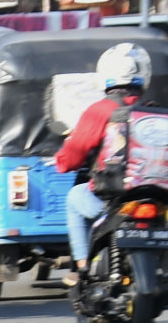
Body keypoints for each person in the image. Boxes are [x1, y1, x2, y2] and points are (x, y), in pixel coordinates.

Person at [53, 44, 152, 270]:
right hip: (154, 195)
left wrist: (61, 162)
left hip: (113, 198)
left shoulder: (100, 111)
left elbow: (71, 159)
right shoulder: (153, 110)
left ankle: (81, 267)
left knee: (74, 197)